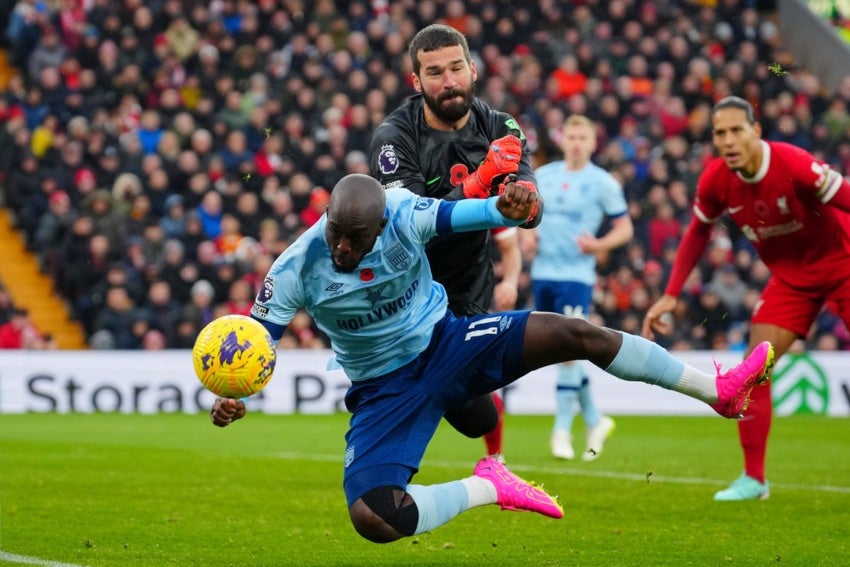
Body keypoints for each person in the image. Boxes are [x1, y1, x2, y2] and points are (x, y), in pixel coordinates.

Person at [211, 173, 775, 543]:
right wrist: (233, 395)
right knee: (375, 517)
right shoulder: (296, 266)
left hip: (447, 343)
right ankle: (491, 484)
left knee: (575, 333)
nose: (341, 247)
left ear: (380, 226)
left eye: (355, 238)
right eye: (336, 232)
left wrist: (504, 209)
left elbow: (464, 216)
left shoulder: (403, 212)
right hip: (384, 387)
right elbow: (256, 342)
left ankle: (717, 392)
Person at [642, 96, 850, 501]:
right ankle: (754, 480)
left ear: (756, 131)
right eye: (720, 133)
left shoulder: (793, 163)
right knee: (754, 372)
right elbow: (698, 232)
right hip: (791, 280)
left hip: (843, 263)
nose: (728, 140)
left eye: (737, 130)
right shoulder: (716, 179)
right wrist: (670, 295)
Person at [368, 23, 541, 458]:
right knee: (407, 401)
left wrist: (523, 200)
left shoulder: (500, 126)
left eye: (456, 68)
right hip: (407, 296)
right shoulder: (394, 139)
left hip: (467, 295)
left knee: (476, 419)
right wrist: (482, 181)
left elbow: (533, 213)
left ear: (473, 70)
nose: (449, 81)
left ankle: (494, 462)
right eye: (434, 72)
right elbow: (411, 229)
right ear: (416, 81)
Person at [529, 114, 634, 461]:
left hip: (576, 276)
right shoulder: (544, 176)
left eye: (582, 138)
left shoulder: (603, 183)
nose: (575, 143)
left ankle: (561, 429)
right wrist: (526, 236)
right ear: (563, 140)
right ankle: (595, 419)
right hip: (543, 272)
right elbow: (526, 216)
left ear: (592, 143)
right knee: (557, 351)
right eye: (571, 137)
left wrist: (599, 245)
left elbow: (625, 229)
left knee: (570, 352)